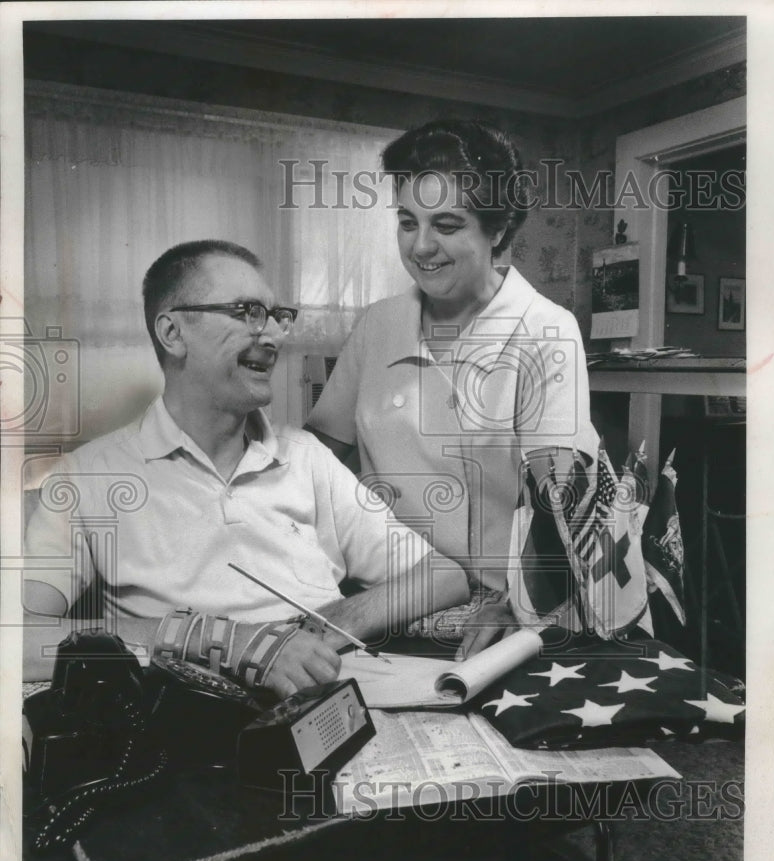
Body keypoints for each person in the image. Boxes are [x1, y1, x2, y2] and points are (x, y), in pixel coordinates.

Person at [23, 240, 469, 693]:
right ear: (173, 333)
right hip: (198, 724)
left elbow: (444, 575)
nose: (274, 336)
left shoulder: (306, 456)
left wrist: (325, 627)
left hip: (342, 698)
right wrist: (222, 641)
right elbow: (16, 638)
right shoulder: (85, 477)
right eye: (247, 311)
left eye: (277, 316)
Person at [306, 120, 599, 654]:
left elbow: (559, 500)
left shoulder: (544, 329)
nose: (421, 247)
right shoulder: (378, 324)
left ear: (499, 230)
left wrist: (518, 604)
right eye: (406, 222)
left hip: (490, 613)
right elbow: (316, 460)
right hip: (380, 600)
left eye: (446, 224)